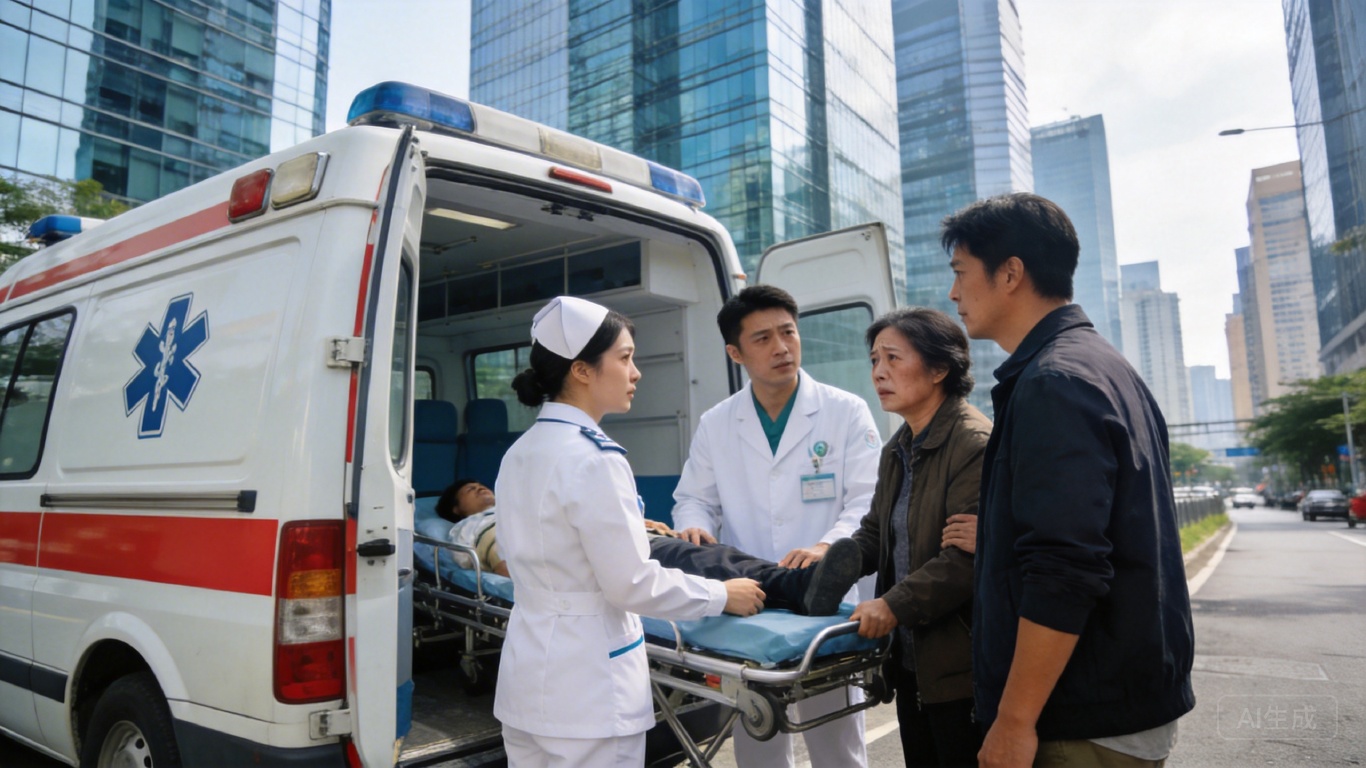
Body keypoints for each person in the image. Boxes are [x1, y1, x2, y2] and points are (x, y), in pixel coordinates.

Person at [943, 193, 1195, 768]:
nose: (954, 293)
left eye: (960, 272)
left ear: (1010, 273)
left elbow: (1065, 569)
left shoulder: (1053, 382)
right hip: (1111, 700)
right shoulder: (1101, 365)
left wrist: (1014, 720)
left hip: (1081, 718)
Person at [492, 295, 766, 767]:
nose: (636, 372)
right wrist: (722, 595)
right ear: (582, 370)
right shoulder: (595, 458)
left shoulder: (520, 452)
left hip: (527, 681)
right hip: (589, 691)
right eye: (624, 358)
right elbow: (631, 584)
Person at [672, 284, 880, 768]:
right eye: (763, 338)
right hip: (749, 604)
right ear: (735, 353)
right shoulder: (717, 422)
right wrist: (694, 527)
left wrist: (827, 545)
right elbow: (694, 498)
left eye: (788, 332)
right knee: (757, 738)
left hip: (826, 605)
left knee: (837, 743)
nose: (782, 347)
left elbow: (868, 500)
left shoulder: (845, 411)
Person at [847, 307, 991, 768]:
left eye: (893, 358)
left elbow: (964, 561)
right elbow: (875, 534)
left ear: (939, 368)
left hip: (962, 668)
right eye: (874, 360)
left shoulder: (973, 443)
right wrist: (826, 565)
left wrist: (892, 606)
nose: (879, 372)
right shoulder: (898, 447)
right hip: (912, 663)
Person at [434, 478, 864, 615]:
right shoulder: (474, 529)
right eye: (471, 490)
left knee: (715, 556)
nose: (482, 489)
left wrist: (635, 523)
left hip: (618, 539)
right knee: (702, 559)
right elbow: (510, 567)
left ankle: (794, 584)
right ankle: (796, 587)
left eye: (482, 484)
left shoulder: (521, 504)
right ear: (456, 509)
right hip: (607, 556)